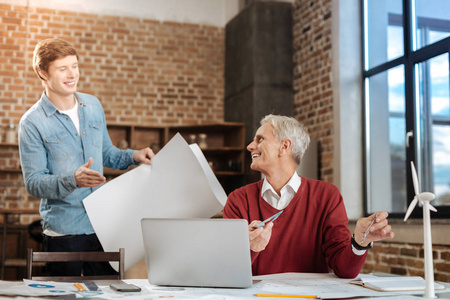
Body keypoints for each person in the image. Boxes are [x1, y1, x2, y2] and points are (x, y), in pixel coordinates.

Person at [18, 38, 155, 277]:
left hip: (103, 226)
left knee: (109, 292)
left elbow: (107, 153)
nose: (72, 74)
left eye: (75, 66)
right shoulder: (32, 123)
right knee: (63, 295)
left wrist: (134, 155)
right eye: (63, 69)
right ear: (42, 72)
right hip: (64, 232)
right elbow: (34, 183)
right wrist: (73, 179)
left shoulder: (92, 105)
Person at [223, 114, 394, 278]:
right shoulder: (238, 200)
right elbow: (227, 270)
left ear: (285, 146)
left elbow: (345, 270)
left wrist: (359, 242)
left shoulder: (327, 196)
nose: (250, 146)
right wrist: (250, 248)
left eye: (260, 139)